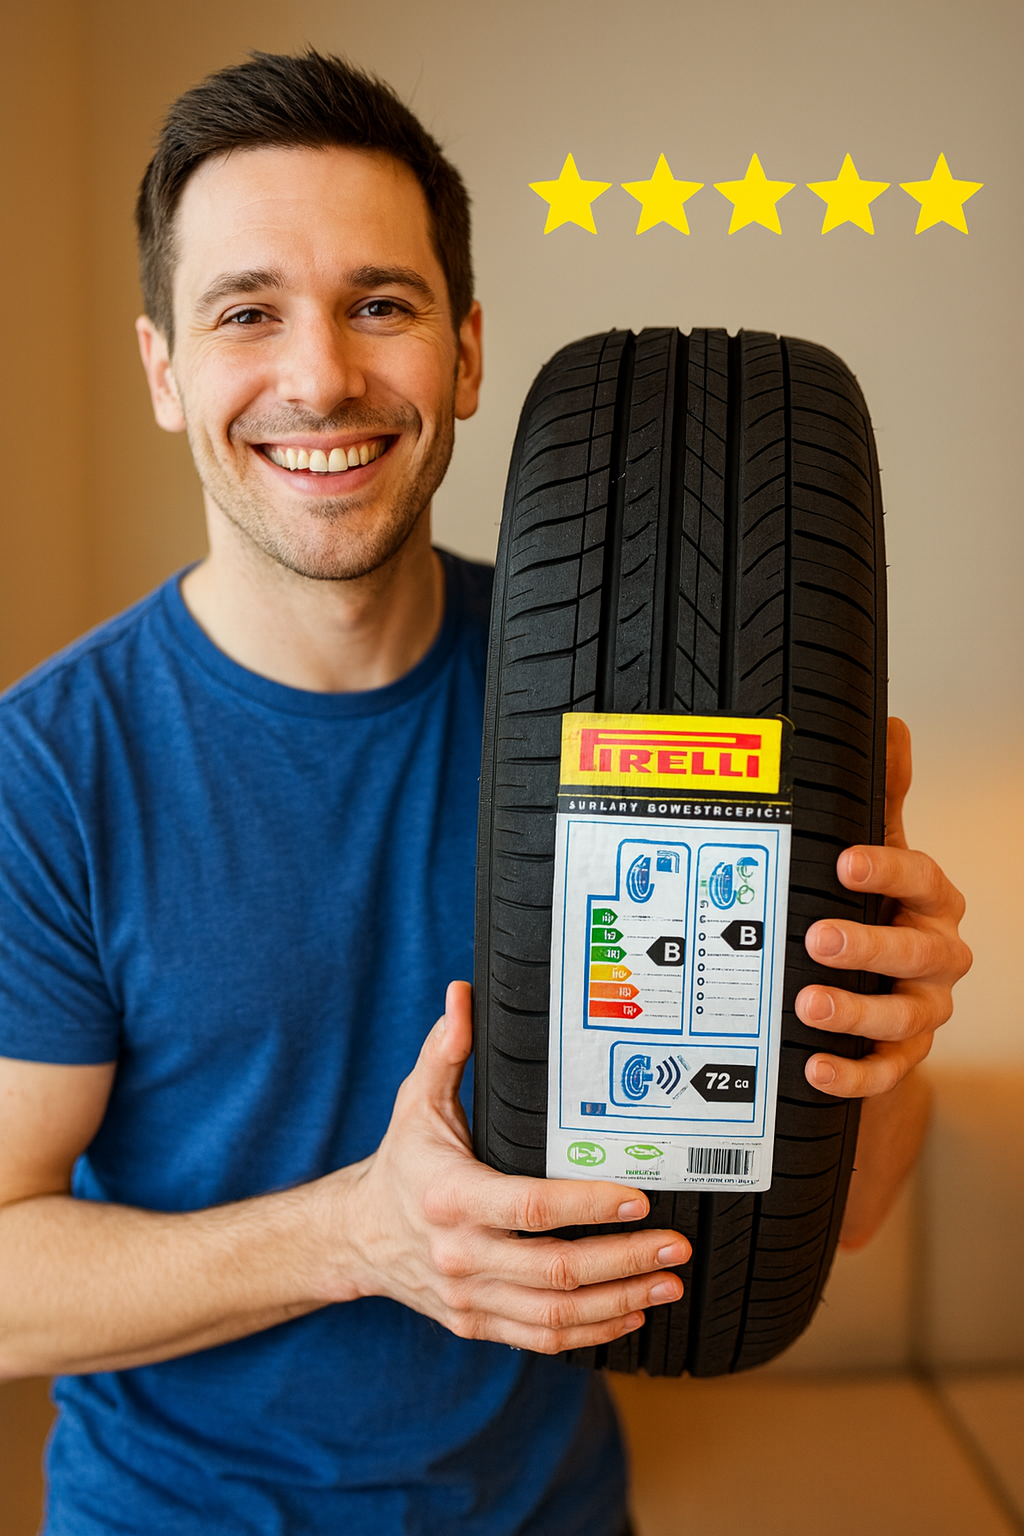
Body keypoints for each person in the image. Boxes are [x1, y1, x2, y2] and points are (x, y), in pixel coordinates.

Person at [0, 50, 970, 1536]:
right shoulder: (50, 770)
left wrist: (882, 1038)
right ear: (164, 369)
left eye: (379, 305)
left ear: (462, 353)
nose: (319, 377)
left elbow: (847, 1217)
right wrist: (356, 1237)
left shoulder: (663, 703)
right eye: (247, 312)